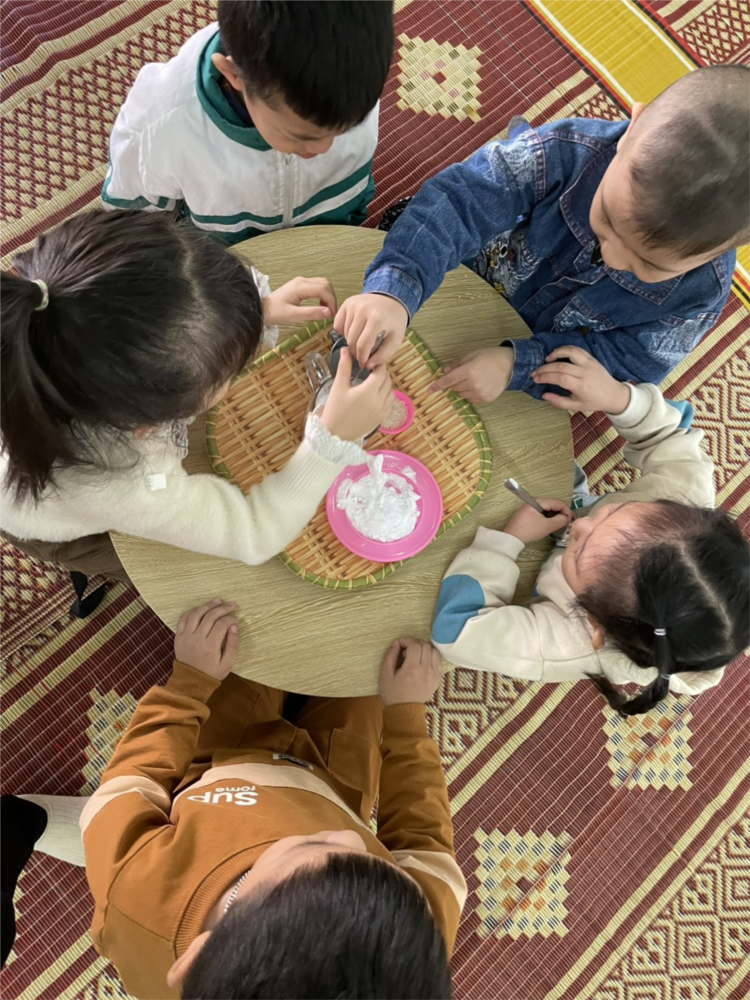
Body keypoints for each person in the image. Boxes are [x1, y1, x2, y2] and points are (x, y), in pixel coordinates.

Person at [1, 600, 465, 998]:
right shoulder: (406, 940)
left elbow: (129, 783)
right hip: (341, 777)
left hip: (221, 755)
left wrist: (189, 685)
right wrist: (406, 719)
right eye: (377, 862)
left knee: (248, 623)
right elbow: (423, 840)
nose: (352, 836)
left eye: (312, 846)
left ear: (194, 959)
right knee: (366, 645)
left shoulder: (137, 896)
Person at [0, 209, 392, 588]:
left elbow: (141, 316)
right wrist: (329, 443)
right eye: (226, 374)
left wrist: (246, 318)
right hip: (47, 518)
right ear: (145, 424)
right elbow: (255, 533)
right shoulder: (126, 483)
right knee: (154, 565)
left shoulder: (49, 320)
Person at [332, 66, 750, 403]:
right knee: (420, 222)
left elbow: (628, 366)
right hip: (472, 269)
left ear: (722, 251)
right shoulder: (566, 153)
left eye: (648, 265)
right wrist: (395, 289)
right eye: (607, 219)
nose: (614, 257)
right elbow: (459, 202)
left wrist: (518, 365)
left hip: (538, 347)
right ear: (631, 129)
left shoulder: (700, 293)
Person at [430, 348, 750, 715]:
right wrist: (618, 398)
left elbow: (456, 631)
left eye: (580, 547)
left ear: (596, 625)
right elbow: (672, 434)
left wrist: (507, 541)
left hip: (527, 568)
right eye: (617, 510)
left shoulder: (574, 642)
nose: (580, 524)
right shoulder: (685, 497)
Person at [102, 0, 394, 241]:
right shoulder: (159, 126)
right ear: (233, 76)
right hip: (225, 269)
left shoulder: (352, 73)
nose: (324, 148)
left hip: (328, 241)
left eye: (349, 127)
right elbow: (131, 229)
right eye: (299, 136)